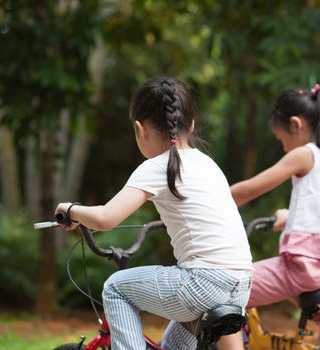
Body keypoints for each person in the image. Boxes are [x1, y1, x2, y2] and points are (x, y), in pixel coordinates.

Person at [55, 77, 253, 350]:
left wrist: (70, 209)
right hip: (241, 288)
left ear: (140, 129)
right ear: (191, 125)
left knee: (115, 288)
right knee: (170, 345)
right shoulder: (209, 164)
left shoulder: (157, 165)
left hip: (202, 284)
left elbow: (105, 219)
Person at [219, 84, 320, 349]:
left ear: (296, 125)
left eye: (280, 138)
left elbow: (249, 190)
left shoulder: (304, 154)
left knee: (223, 290)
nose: (284, 147)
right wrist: (291, 217)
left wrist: (205, 203)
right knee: (300, 279)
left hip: (307, 269)